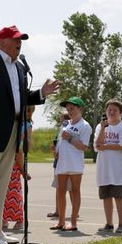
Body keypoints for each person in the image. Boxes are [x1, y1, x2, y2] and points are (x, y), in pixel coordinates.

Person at [0, 25, 59, 244]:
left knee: (0, 186)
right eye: (16, 39)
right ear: (2, 42)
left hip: (11, 133)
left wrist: (41, 94)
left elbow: (21, 97)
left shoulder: (19, 67)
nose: (20, 44)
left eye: (21, 40)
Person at [50, 97, 92, 231]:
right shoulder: (66, 124)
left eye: (72, 108)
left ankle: (73, 222)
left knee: (75, 191)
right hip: (62, 162)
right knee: (60, 191)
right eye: (68, 109)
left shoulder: (85, 126)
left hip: (75, 163)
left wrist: (70, 138)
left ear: (80, 108)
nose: (70, 111)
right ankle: (61, 221)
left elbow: (84, 147)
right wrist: (55, 151)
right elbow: (61, 141)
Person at [94, 99, 122, 234]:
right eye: (109, 109)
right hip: (104, 170)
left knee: (119, 198)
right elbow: (97, 146)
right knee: (106, 197)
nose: (111, 112)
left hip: (118, 171)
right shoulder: (100, 127)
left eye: (115, 110)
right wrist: (103, 129)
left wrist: (105, 146)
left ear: (120, 113)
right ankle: (109, 224)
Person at [2, 105, 35, 230]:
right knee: (3, 191)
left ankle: (19, 219)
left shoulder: (26, 125)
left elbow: (22, 149)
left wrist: (22, 170)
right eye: (25, 110)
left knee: (14, 193)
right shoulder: (13, 123)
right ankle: (3, 218)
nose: (27, 113)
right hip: (8, 159)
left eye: (29, 111)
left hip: (16, 161)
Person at [47, 112, 72, 218]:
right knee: (58, 187)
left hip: (67, 163)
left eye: (62, 119)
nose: (61, 121)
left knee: (71, 188)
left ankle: (74, 211)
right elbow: (58, 144)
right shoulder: (60, 131)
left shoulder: (70, 131)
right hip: (58, 163)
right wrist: (54, 148)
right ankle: (58, 210)